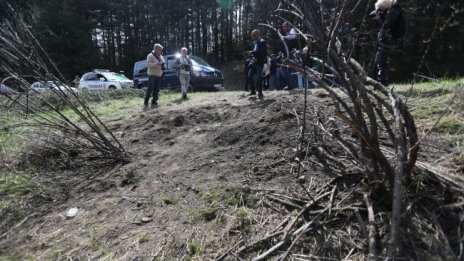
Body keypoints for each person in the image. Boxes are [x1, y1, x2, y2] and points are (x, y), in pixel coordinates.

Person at [371, 0, 403, 86]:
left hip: (387, 40)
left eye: (380, 9)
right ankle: (377, 84)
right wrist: (380, 17)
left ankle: (382, 84)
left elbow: (386, 27)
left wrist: (379, 19)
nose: (379, 11)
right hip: (384, 40)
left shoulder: (393, 11)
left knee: (381, 62)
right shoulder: (391, 11)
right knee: (377, 63)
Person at [245, 30, 267, 99]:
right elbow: (253, 54)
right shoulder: (252, 43)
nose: (253, 37)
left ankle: (260, 93)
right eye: (252, 36)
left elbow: (263, 52)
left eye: (254, 35)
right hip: (253, 62)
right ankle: (253, 91)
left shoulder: (263, 42)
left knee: (258, 78)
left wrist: (252, 52)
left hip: (260, 62)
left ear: (258, 34)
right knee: (249, 76)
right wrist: (249, 55)